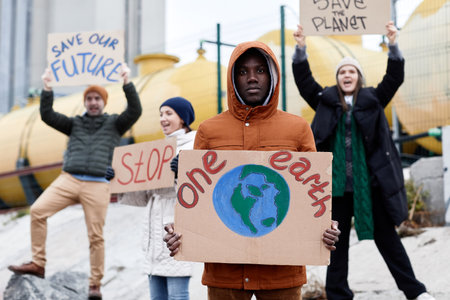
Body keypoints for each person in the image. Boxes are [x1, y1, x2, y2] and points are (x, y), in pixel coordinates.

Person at [163, 41, 341, 300]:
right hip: (224, 272)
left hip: (282, 271)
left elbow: (313, 195)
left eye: (260, 70)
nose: (252, 78)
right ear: (233, 78)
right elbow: (196, 200)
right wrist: (182, 231)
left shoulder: (298, 128)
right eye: (243, 72)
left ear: (272, 76)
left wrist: (325, 225)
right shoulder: (209, 130)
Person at [292, 21, 434, 300]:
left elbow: (394, 77)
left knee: (389, 241)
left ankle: (415, 291)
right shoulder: (325, 100)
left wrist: (393, 43)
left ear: (359, 77)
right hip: (336, 189)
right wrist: (300, 48)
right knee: (336, 243)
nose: (347, 75)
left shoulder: (374, 99)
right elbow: (304, 81)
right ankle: (337, 294)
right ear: (337, 78)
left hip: (371, 187)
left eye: (352, 71)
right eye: (342, 71)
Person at [8, 64, 142, 300]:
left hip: (98, 183)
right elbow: (47, 115)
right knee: (38, 210)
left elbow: (134, 111)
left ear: (103, 102)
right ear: (85, 102)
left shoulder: (115, 124)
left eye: (97, 98)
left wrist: (126, 82)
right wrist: (47, 86)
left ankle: (95, 284)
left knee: (95, 235)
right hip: (68, 179)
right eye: (89, 98)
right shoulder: (74, 124)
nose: (92, 102)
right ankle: (38, 263)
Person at [118, 97, 197, 300]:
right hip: (153, 234)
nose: (163, 119)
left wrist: (182, 173)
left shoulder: (194, 147)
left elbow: (199, 194)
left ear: (183, 119)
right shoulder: (158, 150)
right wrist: (119, 181)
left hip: (175, 231)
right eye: (161, 114)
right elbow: (143, 197)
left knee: (177, 295)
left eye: (169, 113)